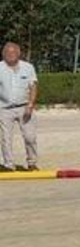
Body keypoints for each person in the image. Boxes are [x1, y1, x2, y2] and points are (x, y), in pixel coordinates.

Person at [0, 41, 39, 171]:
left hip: (24, 107)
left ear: (18, 53)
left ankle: (32, 163)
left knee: (30, 137)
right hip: (4, 109)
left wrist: (30, 104)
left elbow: (33, 86)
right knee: (6, 138)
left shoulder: (28, 67)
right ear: (3, 54)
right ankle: (8, 165)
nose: (10, 55)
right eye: (7, 52)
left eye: (13, 52)